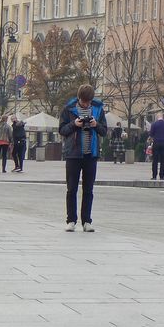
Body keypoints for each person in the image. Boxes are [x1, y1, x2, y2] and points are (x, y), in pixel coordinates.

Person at [59, 84, 107, 232]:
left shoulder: (98, 109)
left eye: (88, 102)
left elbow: (104, 131)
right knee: (71, 189)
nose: (86, 104)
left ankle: (87, 221)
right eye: (83, 101)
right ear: (79, 98)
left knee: (88, 190)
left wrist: (96, 124)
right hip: (73, 154)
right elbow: (62, 130)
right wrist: (74, 124)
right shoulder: (68, 109)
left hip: (91, 155)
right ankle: (71, 220)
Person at [149, 112, 164, 180]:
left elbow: (151, 134)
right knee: (163, 160)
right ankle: (162, 176)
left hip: (156, 143)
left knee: (155, 160)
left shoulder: (154, 124)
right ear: (163, 117)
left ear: (157, 117)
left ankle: (154, 176)